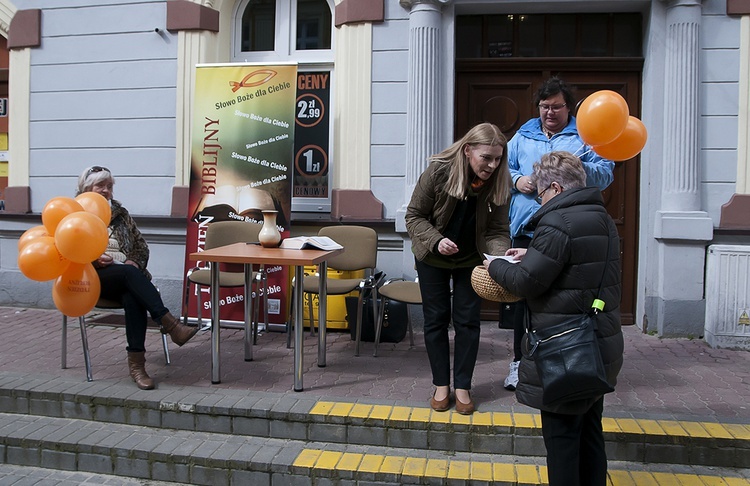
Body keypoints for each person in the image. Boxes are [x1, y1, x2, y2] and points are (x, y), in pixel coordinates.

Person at [485, 151, 623, 486]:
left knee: (562, 443)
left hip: (564, 351)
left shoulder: (557, 222)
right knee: (590, 434)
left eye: (541, 193)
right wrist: (533, 254)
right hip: (597, 345)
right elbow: (574, 266)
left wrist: (495, 265)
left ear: (557, 188)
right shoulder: (599, 216)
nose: (539, 199)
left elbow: (527, 282)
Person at [503, 76, 615, 391]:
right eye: (544, 106)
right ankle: (518, 364)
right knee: (522, 301)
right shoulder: (523, 135)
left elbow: (605, 175)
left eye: (557, 107)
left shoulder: (587, 135)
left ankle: (567, 362)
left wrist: (576, 168)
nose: (550, 113)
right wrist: (517, 180)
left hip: (566, 227)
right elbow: (504, 166)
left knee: (560, 300)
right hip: (527, 228)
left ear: (569, 107)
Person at [405, 123, 512, 415]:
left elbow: (499, 229)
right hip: (432, 256)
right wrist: (436, 241)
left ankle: (462, 386)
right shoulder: (438, 172)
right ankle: (441, 385)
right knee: (436, 319)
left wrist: (499, 256)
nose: (492, 165)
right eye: (486, 157)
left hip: (470, 260)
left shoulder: (500, 180)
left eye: (497, 158)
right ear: (468, 151)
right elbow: (414, 216)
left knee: (467, 322)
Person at [77, 166, 199, 390]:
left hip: (123, 275)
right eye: (100, 186)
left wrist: (134, 260)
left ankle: (137, 367)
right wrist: (93, 259)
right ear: (86, 188)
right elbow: (69, 251)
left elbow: (141, 247)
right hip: (91, 278)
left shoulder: (121, 215)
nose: (106, 191)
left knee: (132, 295)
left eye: (109, 186)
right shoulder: (75, 214)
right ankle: (169, 323)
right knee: (130, 275)